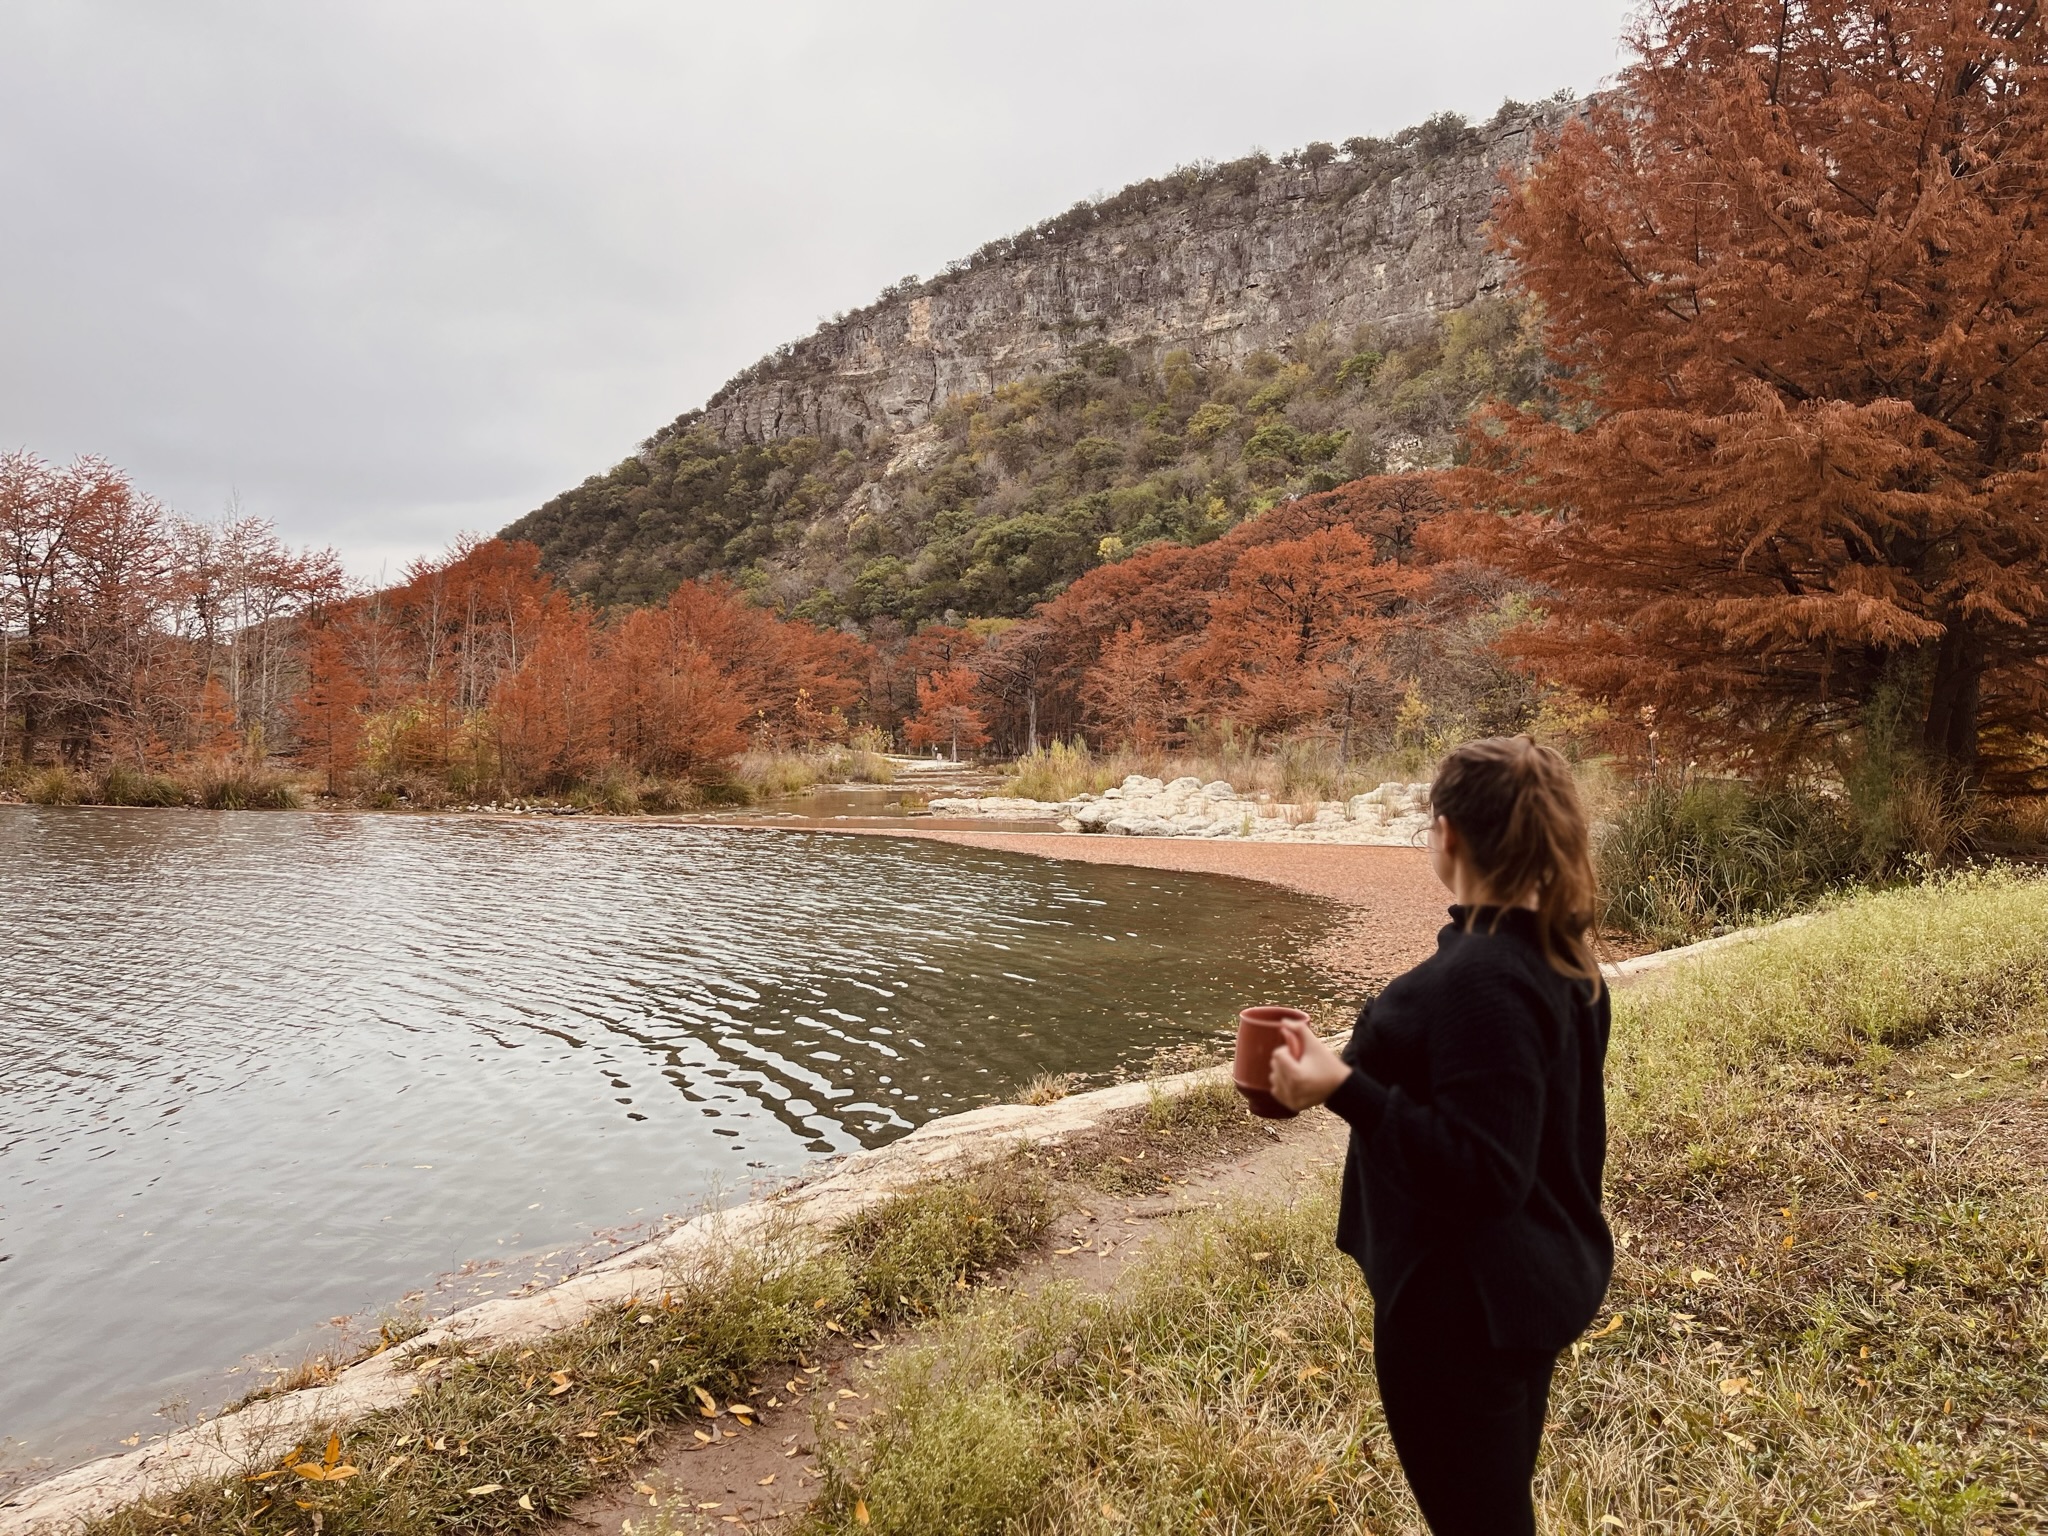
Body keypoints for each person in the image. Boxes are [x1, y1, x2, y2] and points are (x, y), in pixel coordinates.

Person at [1267, 735, 1611, 1536]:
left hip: (1462, 1312)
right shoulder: (1560, 959)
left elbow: (1486, 1173)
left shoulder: (1479, 980)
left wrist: (1345, 1090)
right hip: (1524, 1287)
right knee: (1493, 1503)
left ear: (1447, 834)